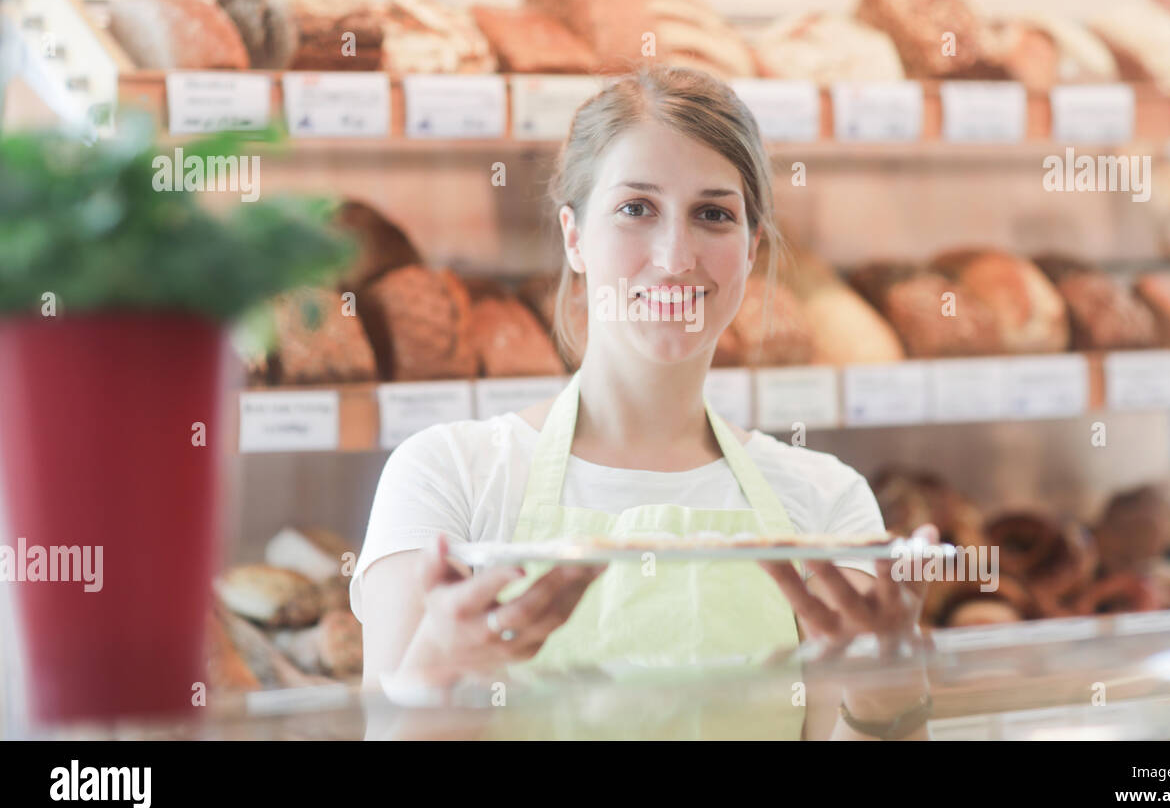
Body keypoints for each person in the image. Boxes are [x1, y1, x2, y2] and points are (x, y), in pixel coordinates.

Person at [352, 65, 934, 739]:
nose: (675, 255)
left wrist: (889, 700)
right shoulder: (450, 477)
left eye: (712, 215)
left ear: (751, 250)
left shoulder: (824, 502)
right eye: (636, 209)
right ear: (574, 237)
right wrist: (439, 671)